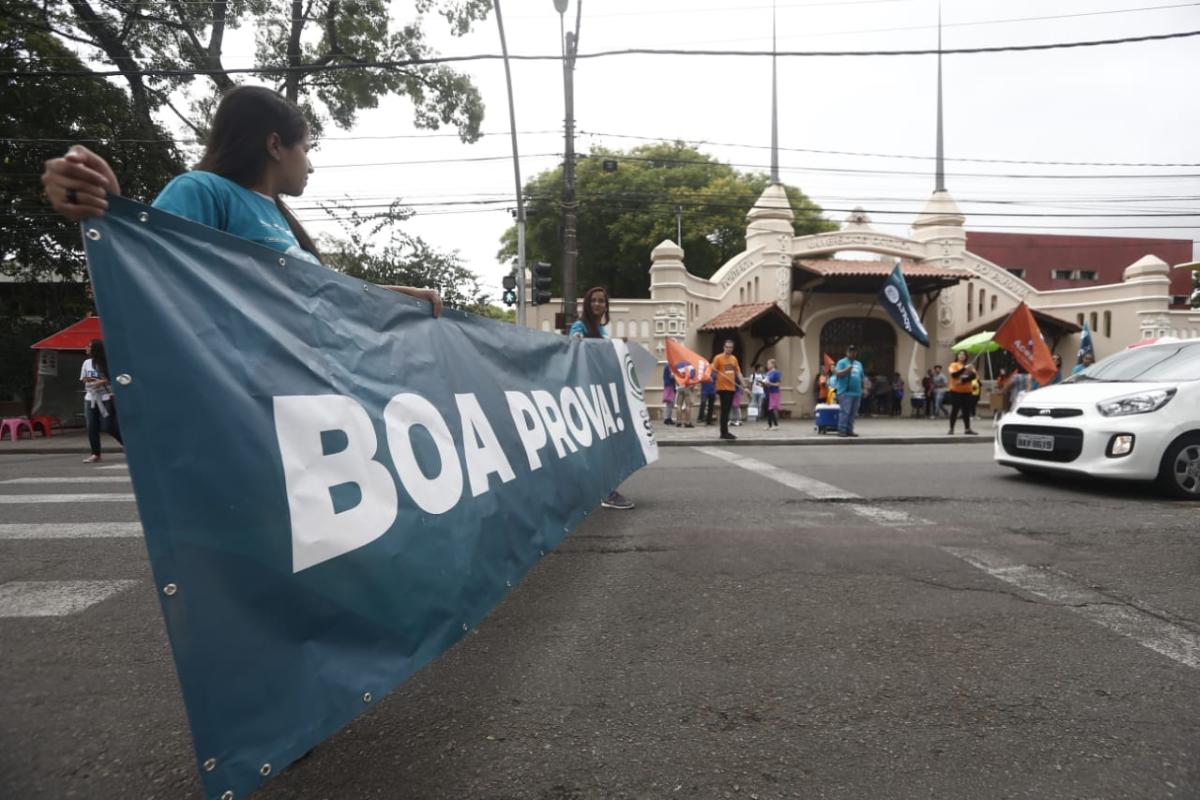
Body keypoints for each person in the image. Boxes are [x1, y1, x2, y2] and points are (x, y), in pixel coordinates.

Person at [42, 85, 442, 314]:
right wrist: (112, 214)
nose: (312, 165)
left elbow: (321, 296)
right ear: (275, 145)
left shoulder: (281, 219)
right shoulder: (200, 190)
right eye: (306, 147)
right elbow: (147, 280)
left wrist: (395, 297)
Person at [569, 286, 635, 510]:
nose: (597, 304)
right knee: (600, 445)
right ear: (587, 304)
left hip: (601, 393)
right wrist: (577, 339)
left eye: (601, 301)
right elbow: (572, 347)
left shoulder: (601, 330)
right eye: (594, 301)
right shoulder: (580, 326)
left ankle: (596, 489)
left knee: (601, 444)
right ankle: (606, 492)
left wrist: (617, 345)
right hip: (587, 394)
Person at [80, 339, 123, 463]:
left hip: (106, 397)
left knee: (108, 426)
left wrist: (102, 381)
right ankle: (95, 453)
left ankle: (127, 444)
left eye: (89, 346)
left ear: (96, 349)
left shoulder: (107, 362)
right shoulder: (86, 362)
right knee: (91, 426)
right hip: (90, 397)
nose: (86, 348)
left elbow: (116, 378)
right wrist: (88, 380)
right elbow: (83, 378)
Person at [710, 339, 742, 441]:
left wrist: (745, 386)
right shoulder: (718, 358)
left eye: (731, 347)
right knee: (724, 410)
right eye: (727, 347)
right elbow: (712, 370)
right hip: (722, 388)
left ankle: (724, 431)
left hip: (732, 387)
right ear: (724, 347)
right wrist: (714, 371)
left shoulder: (734, 359)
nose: (729, 349)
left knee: (727, 410)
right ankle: (724, 432)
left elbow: (738, 373)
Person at [833, 344, 864, 438]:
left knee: (853, 413)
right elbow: (837, 374)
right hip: (845, 392)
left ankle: (849, 430)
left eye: (854, 351)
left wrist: (864, 389)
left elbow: (862, 377)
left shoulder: (858, 364)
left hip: (857, 392)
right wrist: (847, 369)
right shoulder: (842, 362)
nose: (852, 353)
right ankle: (842, 430)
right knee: (845, 412)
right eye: (850, 351)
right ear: (847, 352)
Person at [946, 350, 979, 435]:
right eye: (960, 354)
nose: (962, 356)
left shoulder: (970, 366)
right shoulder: (953, 365)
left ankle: (967, 429)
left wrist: (963, 380)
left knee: (966, 410)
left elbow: (973, 376)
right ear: (957, 356)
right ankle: (951, 428)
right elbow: (954, 375)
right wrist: (964, 368)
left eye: (963, 354)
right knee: (955, 409)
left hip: (967, 391)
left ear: (966, 357)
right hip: (955, 391)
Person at [762, 358, 782, 429]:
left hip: (774, 392)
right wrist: (762, 383)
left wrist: (770, 383)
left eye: (769, 364)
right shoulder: (767, 373)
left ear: (773, 364)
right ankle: (769, 425)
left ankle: (775, 425)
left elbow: (778, 384)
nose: (767, 365)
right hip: (767, 392)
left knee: (771, 409)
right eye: (767, 364)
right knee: (768, 409)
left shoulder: (776, 372)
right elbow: (765, 382)